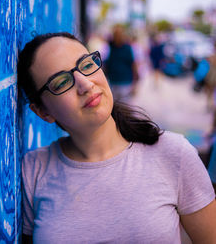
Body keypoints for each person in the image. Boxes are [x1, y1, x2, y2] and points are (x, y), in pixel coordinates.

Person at [17, 32, 216, 244]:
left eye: (86, 65)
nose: (85, 85)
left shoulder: (174, 153)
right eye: (60, 82)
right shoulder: (33, 169)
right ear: (42, 112)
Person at [104, 25, 139, 101]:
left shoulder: (128, 48)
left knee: (125, 106)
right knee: (114, 105)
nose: (118, 37)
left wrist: (135, 82)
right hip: (112, 81)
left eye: (120, 35)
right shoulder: (109, 47)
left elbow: (133, 64)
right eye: (116, 34)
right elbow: (106, 63)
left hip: (125, 82)